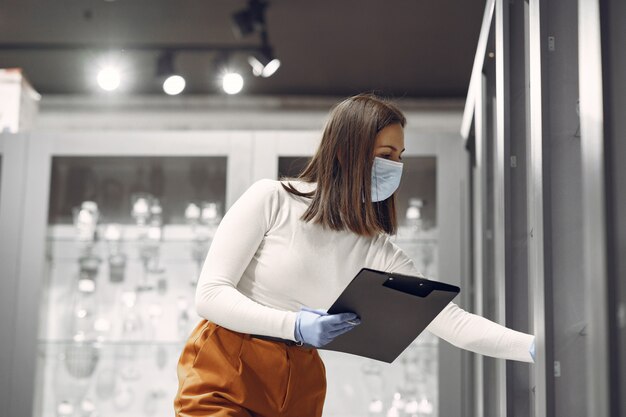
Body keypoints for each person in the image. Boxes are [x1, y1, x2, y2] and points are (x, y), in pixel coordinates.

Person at [173, 93, 536, 417]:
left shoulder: (376, 249)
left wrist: (536, 347)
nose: (396, 167)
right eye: (385, 155)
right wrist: (295, 325)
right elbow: (210, 295)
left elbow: (455, 324)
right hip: (228, 363)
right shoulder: (272, 200)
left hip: (300, 381)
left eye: (400, 156)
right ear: (346, 152)